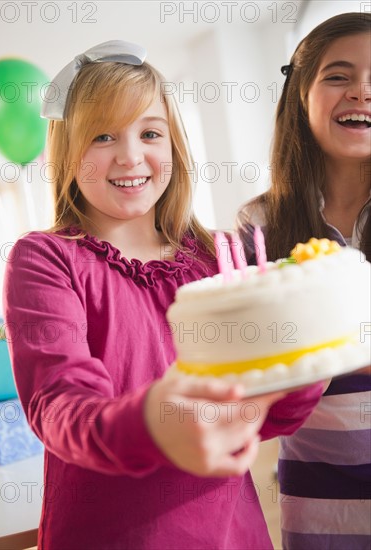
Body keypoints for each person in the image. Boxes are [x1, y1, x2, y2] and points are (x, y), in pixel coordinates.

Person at [3, 41, 324, 550]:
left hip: (230, 535)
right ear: (67, 151)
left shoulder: (217, 257)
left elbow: (267, 415)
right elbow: (59, 407)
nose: (131, 156)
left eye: (150, 133)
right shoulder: (46, 259)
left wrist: (307, 359)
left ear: (172, 145)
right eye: (102, 135)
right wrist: (156, 421)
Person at [236, 13, 371, 550]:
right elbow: (257, 358)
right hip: (317, 480)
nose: (361, 90)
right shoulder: (260, 223)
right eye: (338, 76)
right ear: (301, 95)